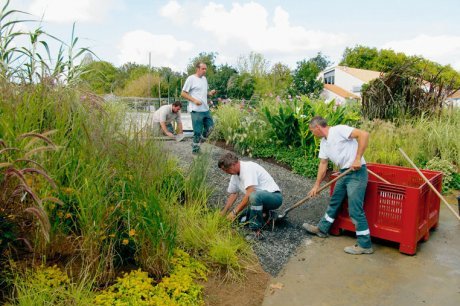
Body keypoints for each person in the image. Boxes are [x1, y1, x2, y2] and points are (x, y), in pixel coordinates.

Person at [302, 116, 373, 255]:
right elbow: (323, 164)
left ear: (318, 127)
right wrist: (316, 185)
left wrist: (358, 158)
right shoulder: (323, 143)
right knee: (334, 202)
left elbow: (364, 134)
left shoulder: (339, 130)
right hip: (344, 172)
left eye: (312, 131)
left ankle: (365, 245)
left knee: (355, 209)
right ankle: (322, 229)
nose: (312, 133)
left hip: (356, 173)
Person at [218, 152, 283, 239]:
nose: (226, 172)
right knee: (238, 220)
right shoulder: (235, 176)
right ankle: (267, 216)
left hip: (274, 197)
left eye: (226, 170)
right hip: (257, 201)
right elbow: (233, 194)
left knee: (254, 196)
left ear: (233, 164)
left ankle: (256, 231)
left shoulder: (248, 168)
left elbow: (250, 194)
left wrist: (234, 212)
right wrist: (224, 212)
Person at [181, 62, 216, 154]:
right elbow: (183, 93)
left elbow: (204, 93)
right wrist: (194, 100)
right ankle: (195, 150)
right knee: (197, 132)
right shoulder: (191, 79)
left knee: (211, 128)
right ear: (198, 69)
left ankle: (197, 143)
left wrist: (210, 93)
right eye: (203, 69)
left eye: (205, 69)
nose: (205, 71)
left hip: (205, 109)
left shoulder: (204, 79)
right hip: (196, 110)